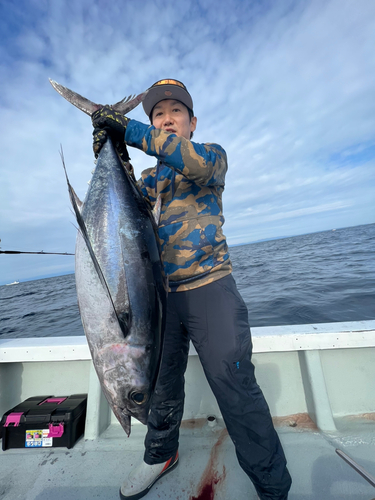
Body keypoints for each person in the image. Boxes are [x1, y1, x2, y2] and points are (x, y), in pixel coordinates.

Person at [91, 79, 292, 500]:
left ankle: (272, 486)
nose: (166, 119)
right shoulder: (146, 181)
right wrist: (113, 150)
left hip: (210, 289)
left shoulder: (210, 158)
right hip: (158, 301)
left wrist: (131, 131)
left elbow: (194, 162)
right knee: (160, 386)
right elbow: (120, 207)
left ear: (192, 123)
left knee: (235, 388)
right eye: (157, 114)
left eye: (175, 112)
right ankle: (160, 455)